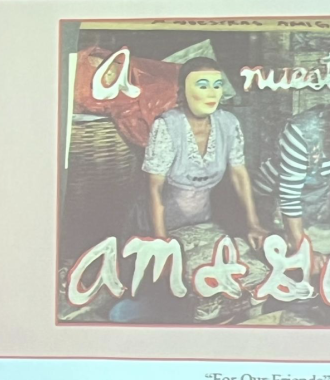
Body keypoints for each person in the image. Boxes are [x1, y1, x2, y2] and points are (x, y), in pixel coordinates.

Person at [111, 57, 268, 323]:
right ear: (182, 91)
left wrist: (254, 223)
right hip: (157, 225)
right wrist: (162, 242)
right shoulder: (168, 126)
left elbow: (239, 174)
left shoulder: (228, 124)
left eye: (217, 85)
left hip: (202, 222)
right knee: (187, 290)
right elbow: (154, 188)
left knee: (246, 274)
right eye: (202, 85)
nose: (211, 93)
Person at [253, 104, 330, 275]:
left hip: (319, 203)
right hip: (275, 203)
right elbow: (289, 197)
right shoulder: (302, 132)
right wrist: (304, 252)